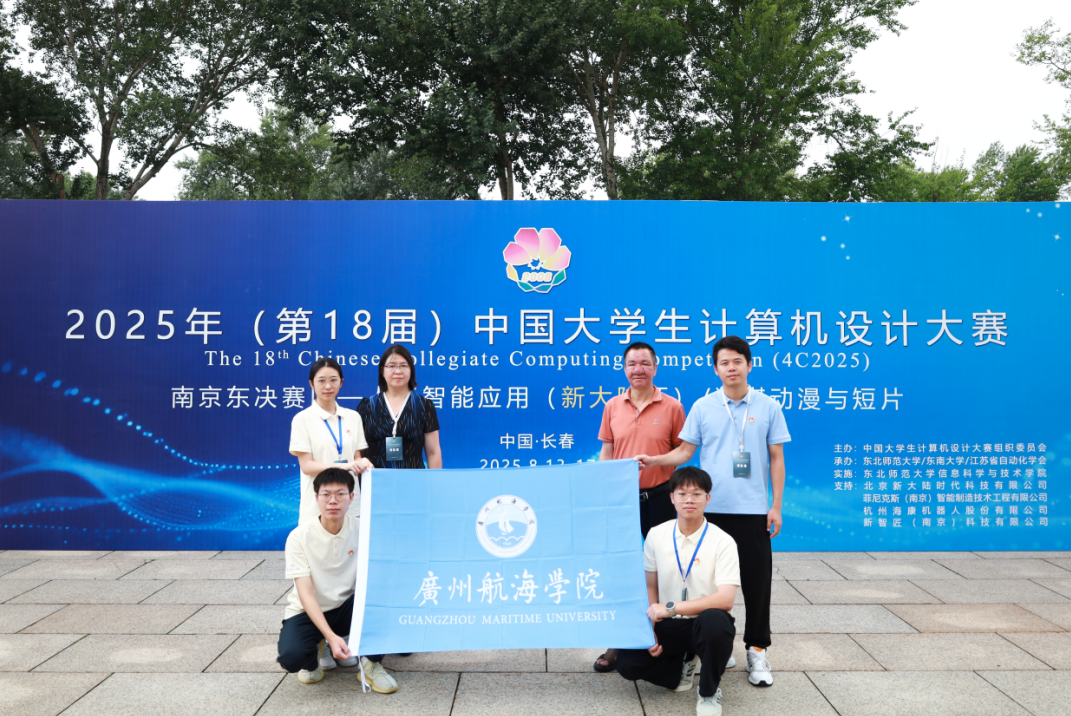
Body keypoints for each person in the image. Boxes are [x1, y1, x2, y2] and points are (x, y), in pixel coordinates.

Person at [637, 335, 790, 687]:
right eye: (724, 363)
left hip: (752, 511)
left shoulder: (768, 406)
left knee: (756, 584)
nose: (731, 368)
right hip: (710, 512)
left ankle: (757, 650)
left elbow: (777, 458)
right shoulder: (703, 407)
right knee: (706, 582)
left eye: (737, 361)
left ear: (749, 364)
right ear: (715, 369)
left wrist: (776, 506)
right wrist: (655, 460)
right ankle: (719, 644)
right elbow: (684, 452)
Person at [593, 341, 686, 673]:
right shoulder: (612, 406)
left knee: (664, 570)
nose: (638, 369)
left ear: (655, 367)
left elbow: (682, 453)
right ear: (624, 369)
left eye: (645, 363)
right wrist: (604, 490)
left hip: (660, 498)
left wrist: (656, 461)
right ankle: (618, 641)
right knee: (622, 570)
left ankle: (663, 637)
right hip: (622, 502)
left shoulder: (673, 406)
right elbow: (607, 452)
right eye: (632, 363)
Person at [615, 467, 739, 716]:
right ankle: (684, 663)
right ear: (672, 498)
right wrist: (649, 627)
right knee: (627, 664)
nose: (689, 500)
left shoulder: (723, 540)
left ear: (708, 498)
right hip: (667, 623)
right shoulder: (656, 534)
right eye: (682, 494)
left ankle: (708, 692)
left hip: (702, 622)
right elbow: (650, 584)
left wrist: (671, 608)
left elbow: (725, 599)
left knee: (716, 623)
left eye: (696, 494)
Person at [276, 467, 398, 694]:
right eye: (326, 494)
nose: (333, 501)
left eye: (340, 494)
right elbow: (305, 594)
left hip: (346, 607)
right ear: (316, 498)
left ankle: (370, 665)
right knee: (292, 657)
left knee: (384, 598)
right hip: (309, 611)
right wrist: (331, 637)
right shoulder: (299, 537)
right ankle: (314, 655)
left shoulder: (364, 529)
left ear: (351, 497)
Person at [289, 357, 372, 526]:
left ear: (341, 382)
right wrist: (345, 466)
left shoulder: (353, 417)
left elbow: (356, 457)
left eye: (333, 380)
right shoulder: (302, 419)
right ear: (311, 384)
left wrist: (362, 462)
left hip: (350, 504)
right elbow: (307, 466)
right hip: (317, 506)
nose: (328, 386)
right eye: (321, 381)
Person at [357, 345, 442, 470]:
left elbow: (433, 452)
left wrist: (434, 481)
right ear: (382, 370)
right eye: (391, 366)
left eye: (403, 366)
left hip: (413, 479)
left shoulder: (424, 405)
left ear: (411, 370)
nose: (398, 371)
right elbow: (358, 453)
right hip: (375, 479)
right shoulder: (367, 406)